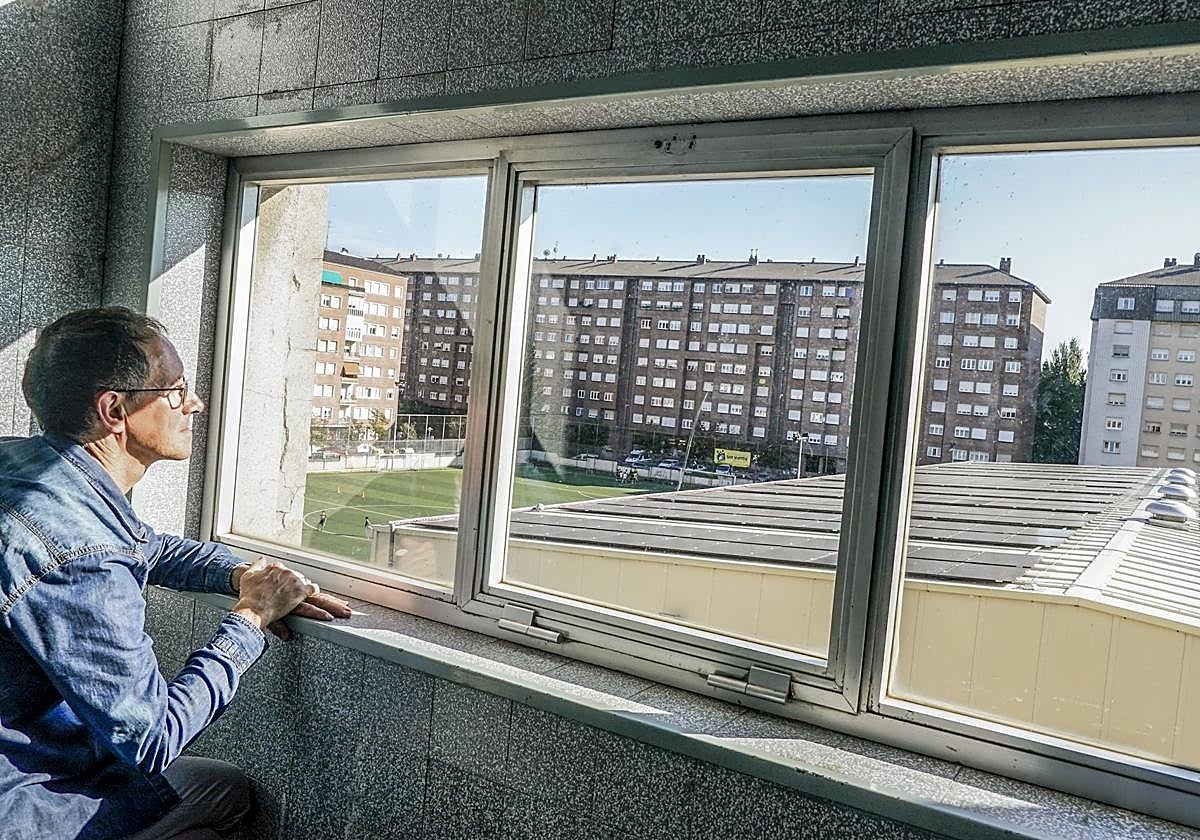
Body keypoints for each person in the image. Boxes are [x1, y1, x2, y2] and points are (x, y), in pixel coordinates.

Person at [0, 308, 352, 840]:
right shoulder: (83, 559)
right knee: (230, 794)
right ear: (114, 410)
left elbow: (143, 544)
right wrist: (250, 620)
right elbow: (153, 740)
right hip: (24, 795)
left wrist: (241, 574)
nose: (195, 403)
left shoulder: (28, 468)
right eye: (176, 390)